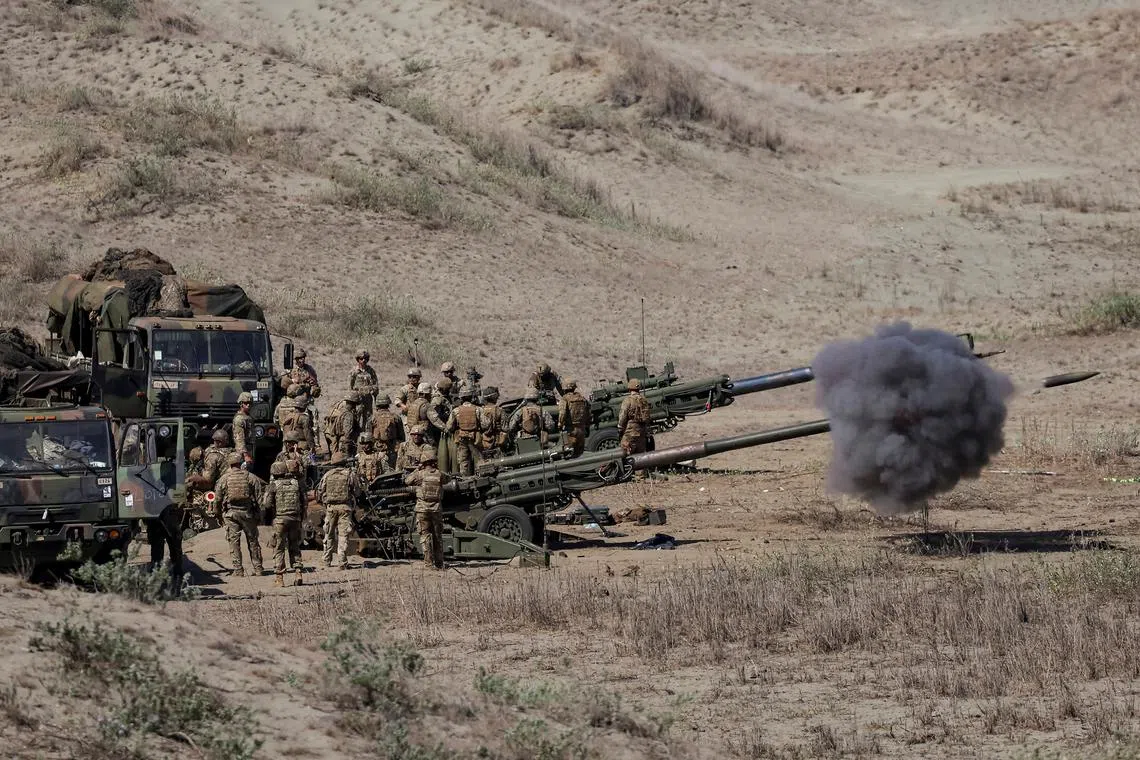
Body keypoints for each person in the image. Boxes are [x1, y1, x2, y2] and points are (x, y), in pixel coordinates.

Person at [215, 451, 266, 576]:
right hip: (248, 514)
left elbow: (217, 499)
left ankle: (238, 570)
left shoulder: (224, 479)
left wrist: (218, 515)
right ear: (240, 462)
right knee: (253, 541)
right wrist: (260, 516)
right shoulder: (250, 477)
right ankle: (258, 568)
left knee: (234, 542)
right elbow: (260, 500)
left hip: (231, 514)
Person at [404, 445, 448, 569]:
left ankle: (428, 563)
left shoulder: (420, 474)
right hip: (436, 509)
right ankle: (440, 563)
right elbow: (448, 479)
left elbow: (407, 481)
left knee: (425, 535)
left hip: (422, 509)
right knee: (437, 536)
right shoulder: (439, 474)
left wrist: (417, 469)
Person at [262, 461, 305, 587]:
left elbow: (267, 504)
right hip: (295, 519)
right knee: (295, 546)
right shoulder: (296, 483)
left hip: (280, 520)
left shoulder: (273, 485)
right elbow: (303, 501)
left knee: (279, 548)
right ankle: (298, 573)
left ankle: (279, 578)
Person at [318, 450, 359, 569]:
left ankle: (326, 560)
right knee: (343, 535)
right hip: (345, 508)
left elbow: (320, 491)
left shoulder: (328, 474)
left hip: (330, 508)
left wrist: (326, 501)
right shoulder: (349, 474)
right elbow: (357, 491)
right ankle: (342, 561)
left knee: (328, 534)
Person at [617, 378, 652, 478]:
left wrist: (620, 427)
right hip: (641, 430)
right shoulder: (644, 400)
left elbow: (623, 415)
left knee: (624, 451)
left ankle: (625, 475)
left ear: (629, 388)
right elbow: (648, 416)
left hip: (630, 431)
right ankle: (640, 477)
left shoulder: (627, 400)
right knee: (640, 455)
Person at [447, 387, 481, 476]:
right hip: (475, 438)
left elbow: (449, 427)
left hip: (462, 438)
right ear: (472, 397)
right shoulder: (478, 409)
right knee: (479, 459)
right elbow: (486, 424)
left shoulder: (456, 410)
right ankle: (480, 477)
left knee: (463, 460)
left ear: (461, 397)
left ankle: (465, 479)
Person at [557, 379, 590, 457]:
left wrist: (560, 424)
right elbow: (588, 413)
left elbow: (562, 413)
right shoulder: (582, 398)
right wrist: (587, 426)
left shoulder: (565, 399)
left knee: (568, 454)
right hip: (581, 430)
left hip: (570, 430)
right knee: (580, 454)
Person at [427, 378, 455, 472]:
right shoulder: (437, 400)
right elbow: (434, 417)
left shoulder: (445, 397)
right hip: (437, 431)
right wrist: (444, 427)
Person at [370, 394, 402, 470]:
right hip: (393, 448)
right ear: (388, 404)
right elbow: (401, 436)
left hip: (377, 448)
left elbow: (369, 436)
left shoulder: (373, 418)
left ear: (377, 404)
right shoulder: (395, 417)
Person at [349, 349, 379, 432]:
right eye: (361, 358)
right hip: (357, 399)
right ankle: (355, 437)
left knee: (368, 419)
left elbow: (376, 385)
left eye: (365, 358)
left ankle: (367, 437)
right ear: (358, 359)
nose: (363, 360)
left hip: (368, 399)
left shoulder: (371, 371)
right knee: (356, 418)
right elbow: (350, 387)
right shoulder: (354, 371)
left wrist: (376, 400)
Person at [325, 391, 361, 457]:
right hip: (344, 442)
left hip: (336, 439)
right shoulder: (348, 415)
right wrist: (348, 444)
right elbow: (347, 431)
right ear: (354, 403)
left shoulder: (340, 411)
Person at [477, 386, 508, 459]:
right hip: (497, 443)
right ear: (495, 397)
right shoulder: (500, 410)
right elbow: (505, 428)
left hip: (483, 443)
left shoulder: (480, 411)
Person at [232, 392, 254, 464]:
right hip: (243, 453)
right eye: (246, 403)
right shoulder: (239, 419)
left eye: (250, 403)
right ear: (241, 403)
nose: (248, 405)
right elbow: (239, 439)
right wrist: (245, 455)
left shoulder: (247, 417)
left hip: (249, 450)